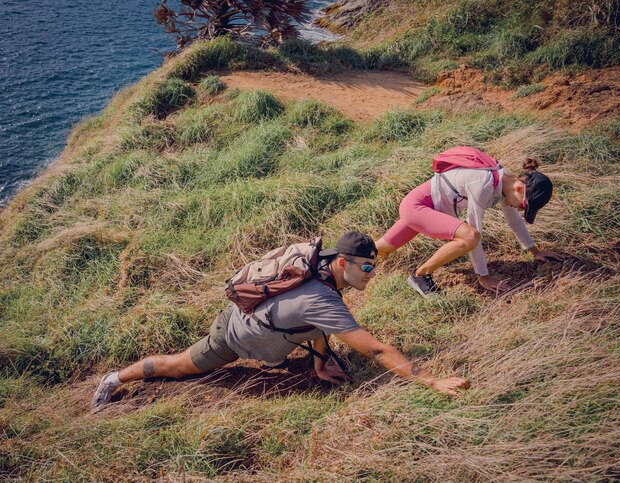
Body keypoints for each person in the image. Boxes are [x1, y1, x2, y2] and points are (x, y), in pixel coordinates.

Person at [91, 231, 469, 413]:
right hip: (234, 338)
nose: (372, 273)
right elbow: (375, 349)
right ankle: (114, 379)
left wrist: (321, 363)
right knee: (178, 367)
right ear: (342, 262)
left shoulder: (323, 272)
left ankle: (277, 356)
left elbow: (320, 322)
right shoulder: (322, 296)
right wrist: (430, 380)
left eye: (375, 266)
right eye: (367, 267)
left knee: (293, 345)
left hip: (266, 330)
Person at [375, 147, 563, 296]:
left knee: (380, 249)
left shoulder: (505, 183)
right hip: (418, 206)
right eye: (524, 207)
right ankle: (420, 275)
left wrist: (535, 251)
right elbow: (473, 233)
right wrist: (484, 276)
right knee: (470, 236)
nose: (520, 210)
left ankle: (348, 256)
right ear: (520, 188)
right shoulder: (483, 184)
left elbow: (514, 222)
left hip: (426, 209)